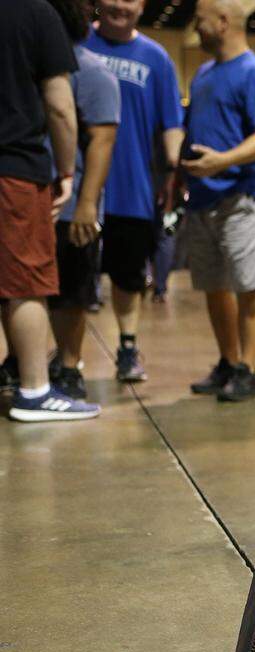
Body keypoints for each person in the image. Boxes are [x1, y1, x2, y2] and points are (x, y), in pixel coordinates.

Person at [0, 0, 99, 421]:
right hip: (15, 168)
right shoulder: (35, 12)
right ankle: (36, 391)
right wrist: (66, 170)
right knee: (25, 281)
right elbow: (59, 105)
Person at [179, 0, 255, 402]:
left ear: (222, 23)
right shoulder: (203, 74)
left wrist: (223, 160)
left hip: (242, 198)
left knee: (248, 287)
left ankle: (248, 370)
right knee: (214, 286)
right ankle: (227, 361)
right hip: (202, 200)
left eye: (200, 21)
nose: (196, 29)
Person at [84, 0, 183, 383]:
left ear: (142, 5)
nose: (119, 6)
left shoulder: (156, 58)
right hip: (78, 189)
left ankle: (127, 346)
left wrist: (174, 170)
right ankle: (68, 356)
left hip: (133, 188)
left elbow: (171, 122)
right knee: (72, 278)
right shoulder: (78, 45)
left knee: (128, 276)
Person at [45, 0, 120, 401]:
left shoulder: (91, 71)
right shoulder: (34, 67)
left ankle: (70, 363)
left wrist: (87, 203)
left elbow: (103, 141)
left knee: (72, 291)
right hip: (34, 198)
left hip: (73, 203)